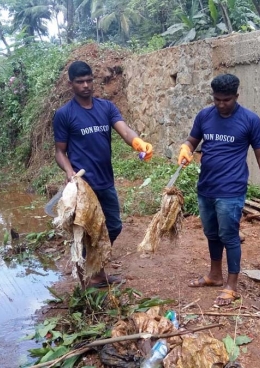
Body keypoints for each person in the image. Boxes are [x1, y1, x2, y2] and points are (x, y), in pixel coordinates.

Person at [179, 74, 260, 307]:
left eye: (226, 100)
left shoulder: (250, 120)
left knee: (230, 236)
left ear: (236, 96)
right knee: (211, 234)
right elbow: (192, 141)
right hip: (206, 188)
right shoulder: (204, 116)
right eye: (217, 100)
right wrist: (186, 148)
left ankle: (231, 285)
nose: (221, 104)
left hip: (231, 190)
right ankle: (215, 275)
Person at [53, 61, 154, 288]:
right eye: (80, 82)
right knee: (90, 229)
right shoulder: (64, 114)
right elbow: (60, 151)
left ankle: (92, 268)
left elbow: (125, 130)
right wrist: (70, 172)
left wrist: (139, 143)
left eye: (89, 80)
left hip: (105, 181)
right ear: (71, 84)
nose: (86, 85)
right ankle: (94, 274)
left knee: (113, 226)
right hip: (83, 186)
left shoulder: (106, 108)